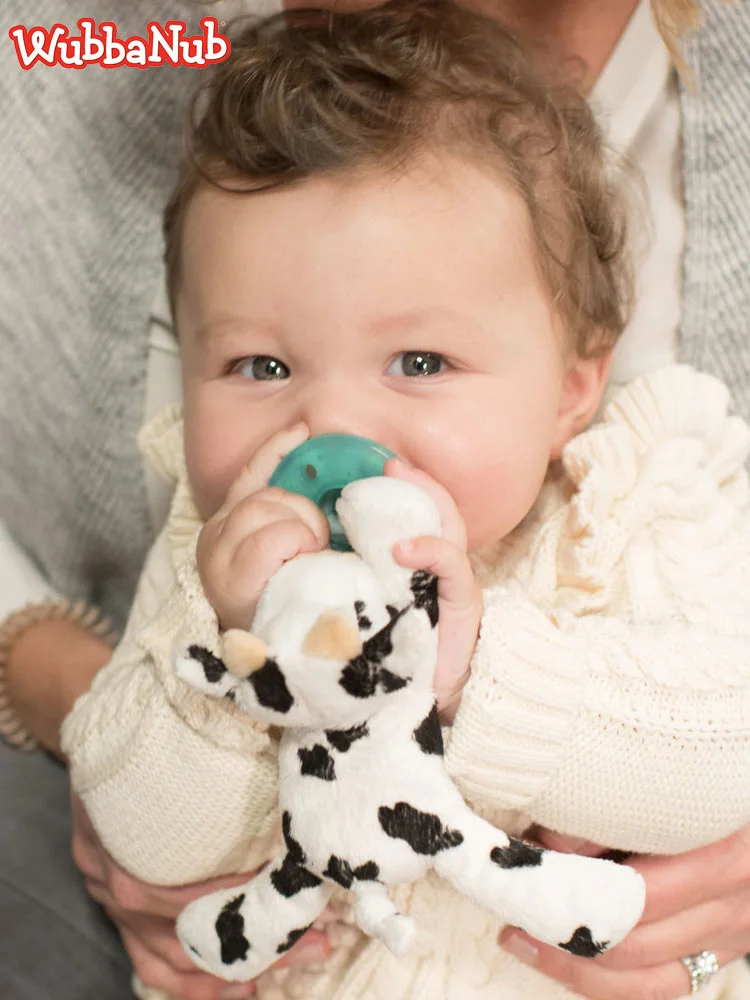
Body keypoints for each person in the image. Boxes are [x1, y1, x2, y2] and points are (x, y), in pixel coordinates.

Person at [2, 1, 750, 1000]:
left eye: (419, 360)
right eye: (259, 363)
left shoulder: (630, 511)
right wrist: (227, 668)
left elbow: (716, 762)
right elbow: (143, 835)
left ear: (576, 386)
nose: (331, 429)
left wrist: (475, 678)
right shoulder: (214, 557)